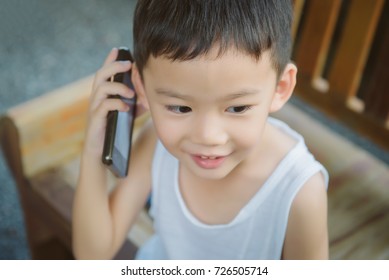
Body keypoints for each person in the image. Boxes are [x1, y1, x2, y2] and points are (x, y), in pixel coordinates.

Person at [72, 0, 329, 260]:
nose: (208, 136)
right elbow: (93, 256)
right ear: (141, 86)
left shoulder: (299, 191)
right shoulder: (154, 143)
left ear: (281, 87)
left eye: (237, 108)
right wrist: (94, 151)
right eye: (180, 108)